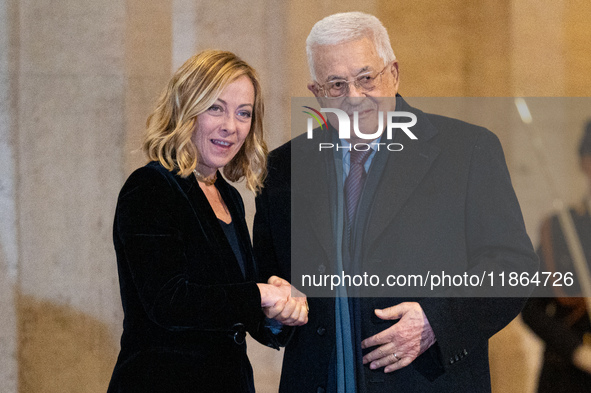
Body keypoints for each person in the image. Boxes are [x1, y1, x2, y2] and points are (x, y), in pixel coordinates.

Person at [253, 12, 538, 393]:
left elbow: (513, 268)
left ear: (394, 73)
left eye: (366, 77)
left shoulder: (466, 150)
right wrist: (275, 310)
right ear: (317, 91)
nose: (354, 97)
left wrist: (437, 321)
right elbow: (267, 286)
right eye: (336, 84)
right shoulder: (283, 168)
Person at [107, 50, 307, 393]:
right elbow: (169, 302)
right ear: (186, 110)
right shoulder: (151, 187)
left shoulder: (228, 196)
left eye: (243, 113)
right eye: (216, 108)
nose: (231, 126)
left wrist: (278, 313)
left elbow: (234, 307)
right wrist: (259, 294)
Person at [522, 121, 591, 393]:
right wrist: (577, 352)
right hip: (568, 376)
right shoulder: (562, 229)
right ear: (586, 163)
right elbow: (530, 307)